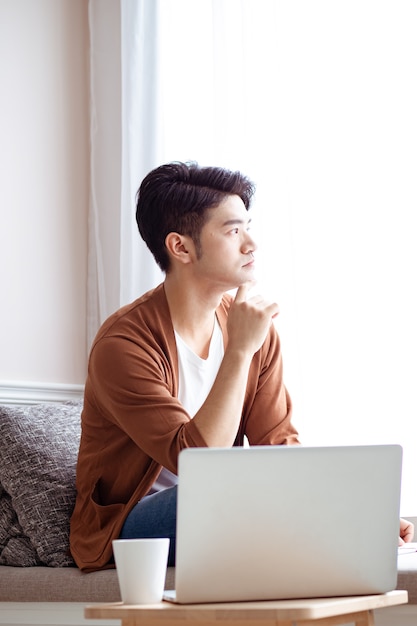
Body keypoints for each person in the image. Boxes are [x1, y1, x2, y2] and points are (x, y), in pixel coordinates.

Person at [69, 162, 412, 572]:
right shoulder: (123, 345)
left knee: (263, 492)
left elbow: (277, 443)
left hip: (226, 503)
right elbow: (198, 462)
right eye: (233, 231)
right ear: (180, 247)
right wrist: (238, 353)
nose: (251, 243)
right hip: (131, 525)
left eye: (248, 227)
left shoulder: (253, 329)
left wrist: (353, 510)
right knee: (241, 491)